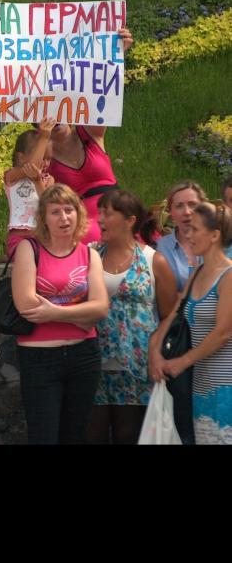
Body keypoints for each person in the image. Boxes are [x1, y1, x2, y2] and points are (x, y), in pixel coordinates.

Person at [11, 184, 110, 444]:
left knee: (75, 437)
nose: (64, 218)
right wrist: (81, 315)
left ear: (78, 214)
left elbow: (101, 308)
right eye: (55, 212)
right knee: (43, 437)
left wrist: (53, 311)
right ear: (43, 217)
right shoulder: (29, 248)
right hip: (40, 358)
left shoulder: (89, 254)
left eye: (69, 210)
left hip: (84, 356)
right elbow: (26, 305)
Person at [87, 190, 177, 445]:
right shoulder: (91, 254)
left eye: (107, 213)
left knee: (129, 436)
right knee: (90, 435)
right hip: (95, 365)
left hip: (138, 369)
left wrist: (159, 356)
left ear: (129, 221)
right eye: (100, 213)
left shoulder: (154, 260)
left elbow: (169, 317)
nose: (100, 219)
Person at [149, 202, 232, 444]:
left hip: (226, 385)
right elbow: (175, 313)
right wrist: (155, 350)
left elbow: (223, 332)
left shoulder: (229, 276)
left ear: (215, 235)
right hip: (201, 385)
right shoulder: (197, 272)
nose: (188, 235)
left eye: (195, 230)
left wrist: (182, 362)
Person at [46, 28, 133, 245]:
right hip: (81, 221)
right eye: (46, 116)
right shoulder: (41, 150)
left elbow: (101, 91)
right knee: (92, 236)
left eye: (59, 110)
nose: (55, 119)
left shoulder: (89, 131)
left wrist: (116, 55)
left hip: (117, 207)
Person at [4, 117, 55, 258]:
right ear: (22, 158)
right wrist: (44, 137)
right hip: (19, 240)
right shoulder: (12, 176)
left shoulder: (48, 180)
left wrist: (38, 181)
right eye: (41, 157)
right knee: (29, 258)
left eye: (48, 158)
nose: (44, 163)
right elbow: (33, 166)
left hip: (44, 239)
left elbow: (50, 205)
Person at [156, 181, 206, 292]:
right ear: (170, 211)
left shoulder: (217, 244)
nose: (187, 212)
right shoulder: (158, 249)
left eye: (192, 204)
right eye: (179, 206)